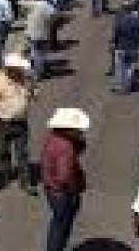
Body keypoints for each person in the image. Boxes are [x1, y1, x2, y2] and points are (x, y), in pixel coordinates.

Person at [41, 107, 90, 251]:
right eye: (77, 130)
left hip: (51, 189)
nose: (80, 132)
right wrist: (74, 192)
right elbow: (64, 177)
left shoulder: (52, 138)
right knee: (62, 227)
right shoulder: (66, 148)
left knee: (57, 223)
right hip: (63, 194)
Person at [0, 53, 36, 193]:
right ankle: (5, 176)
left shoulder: (26, 80)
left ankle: (25, 182)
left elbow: (36, 96)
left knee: (23, 153)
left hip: (21, 122)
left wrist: (32, 87)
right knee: (4, 151)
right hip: (4, 122)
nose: (19, 70)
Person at [111, 0, 139, 94]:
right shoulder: (138, 20)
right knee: (129, 69)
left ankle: (119, 87)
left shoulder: (120, 20)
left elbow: (116, 33)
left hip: (121, 47)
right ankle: (127, 87)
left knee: (119, 68)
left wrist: (113, 43)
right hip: (134, 48)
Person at [24, 0, 56, 82]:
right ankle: (39, 73)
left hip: (31, 33)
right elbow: (53, 18)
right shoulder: (48, 7)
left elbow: (19, 2)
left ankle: (34, 72)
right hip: (42, 33)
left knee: (34, 53)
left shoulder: (32, 4)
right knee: (41, 54)